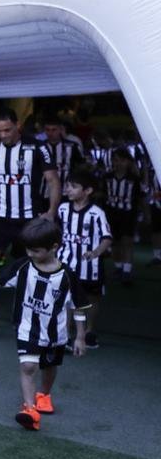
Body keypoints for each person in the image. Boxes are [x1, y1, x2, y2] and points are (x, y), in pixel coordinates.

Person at [0, 218, 88, 431]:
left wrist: (80, 336)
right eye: (28, 249)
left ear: (54, 247)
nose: (30, 254)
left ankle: (44, 394)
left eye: (35, 250)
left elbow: (78, 306)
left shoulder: (67, 276)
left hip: (56, 333)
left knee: (50, 366)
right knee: (28, 366)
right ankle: (29, 409)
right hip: (27, 328)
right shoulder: (23, 266)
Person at [0, 109, 59, 280]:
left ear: (17, 125)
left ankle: (29, 302)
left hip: (29, 217)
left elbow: (53, 180)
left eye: (7, 130)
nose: (3, 135)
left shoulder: (37, 147)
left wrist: (51, 212)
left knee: (31, 265)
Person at [58, 168, 112, 349]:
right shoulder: (63, 209)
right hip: (66, 261)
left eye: (74, 186)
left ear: (88, 191)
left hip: (91, 266)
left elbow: (107, 237)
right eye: (67, 186)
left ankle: (89, 331)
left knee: (91, 299)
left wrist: (96, 252)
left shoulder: (96, 213)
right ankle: (65, 333)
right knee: (66, 297)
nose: (69, 189)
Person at [104, 147, 142, 286]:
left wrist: (143, 214)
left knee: (127, 242)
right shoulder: (107, 177)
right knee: (114, 242)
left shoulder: (134, 179)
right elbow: (103, 196)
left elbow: (139, 198)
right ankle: (118, 267)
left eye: (121, 160)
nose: (118, 163)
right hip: (111, 214)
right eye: (115, 160)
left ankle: (127, 271)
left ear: (128, 162)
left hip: (128, 214)